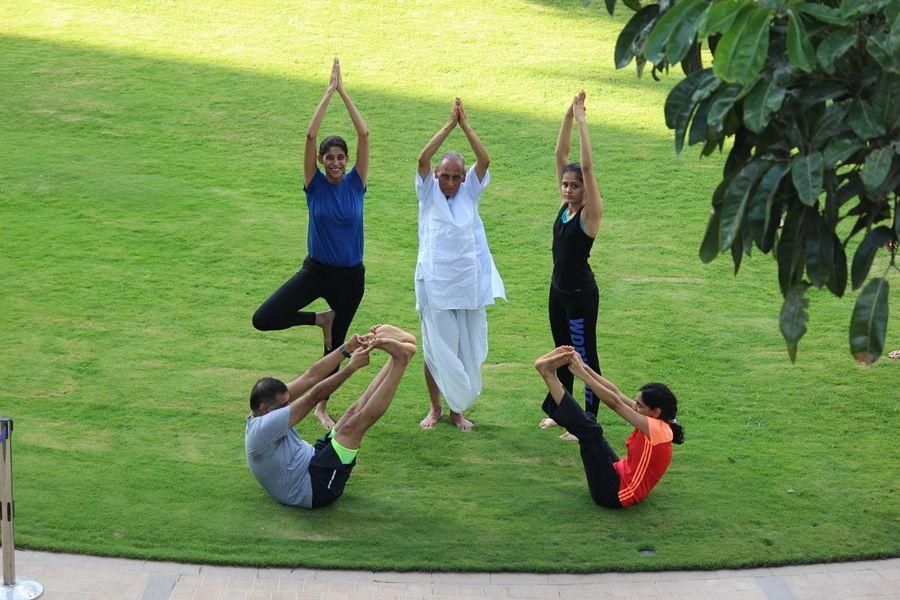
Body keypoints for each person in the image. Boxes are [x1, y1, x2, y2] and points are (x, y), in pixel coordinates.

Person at [252, 57, 370, 429]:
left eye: (340, 158)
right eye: (328, 158)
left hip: (350, 278)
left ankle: (320, 405)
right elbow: (307, 135)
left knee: (334, 351)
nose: (335, 163)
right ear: (320, 161)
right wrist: (328, 92)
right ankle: (320, 318)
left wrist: (345, 94)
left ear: (347, 160)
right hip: (316, 272)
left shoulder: (356, 183)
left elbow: (365, 135)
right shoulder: (314, 185)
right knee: (264, 318)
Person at [245, 325, 416, 509]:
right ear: (264, 409)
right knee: (354, 426)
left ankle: (397, 358)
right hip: (314, 489)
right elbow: (314, 397)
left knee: (352, 412)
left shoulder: (268, 407)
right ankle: (400, 361)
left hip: (312, 459)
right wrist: (350, 368)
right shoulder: (263, 428)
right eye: (283, 405)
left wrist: (347, 348)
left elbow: (311, 377)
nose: (289, 406)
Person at [414, 98, 506, 432]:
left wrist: (465, 126)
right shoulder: (428, 193)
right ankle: (435, 407)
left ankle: (457, 411)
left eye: (456, 177)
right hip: (435, 286)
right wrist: (447, 126)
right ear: (437, 175)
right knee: (435, 348)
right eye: (445, 176)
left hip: (466, 285)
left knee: (462, 349)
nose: (450, 183)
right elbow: (423, 158)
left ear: (463, 178)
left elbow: (485, 159)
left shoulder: (470, 193)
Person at [534, 346, 684, 508]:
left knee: (590, 431)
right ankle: (547, 373)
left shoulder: (657, 429)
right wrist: (584, 367)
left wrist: (583, 375)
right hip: (616, 473)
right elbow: (617, 394)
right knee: (589, 422)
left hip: (612, 493)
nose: (635, 407)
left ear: (655, 412)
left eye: (639, 405)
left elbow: (616, 404)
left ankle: (548, 374)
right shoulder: (658, 421)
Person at [539, 90, 604, 441]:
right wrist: (566, 114)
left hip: (580, 296)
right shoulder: (565, 205)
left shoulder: (589, 214)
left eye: (574, 185)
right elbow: (559, 155)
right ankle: (563, 413)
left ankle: (587, 421)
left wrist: (582, 122)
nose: (566, 189)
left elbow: (587, 166)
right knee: (562, 353)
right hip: (558, 292)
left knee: (584, 358)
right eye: (565, 184)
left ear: (584, 190)